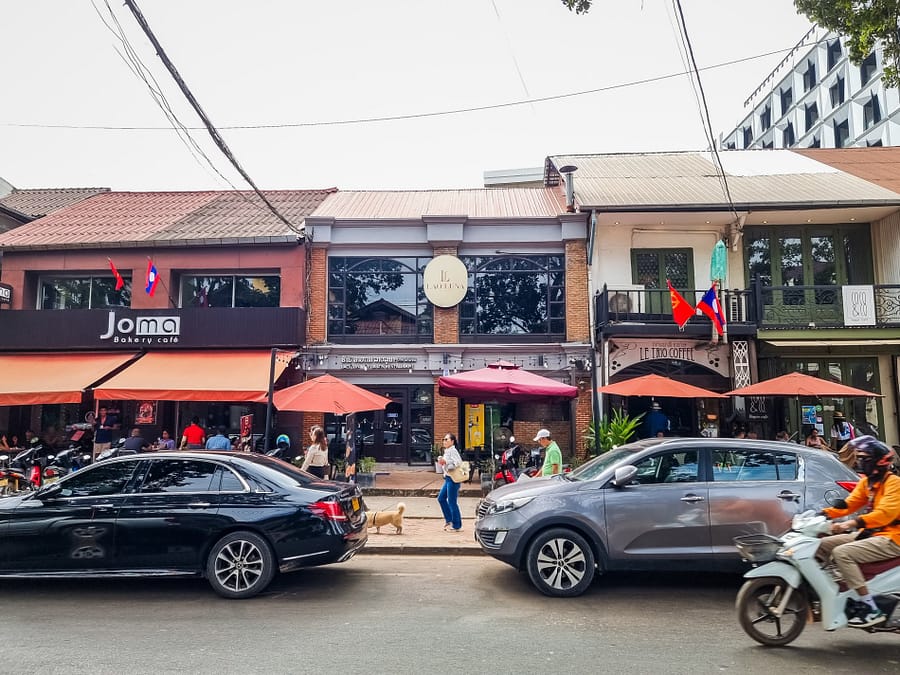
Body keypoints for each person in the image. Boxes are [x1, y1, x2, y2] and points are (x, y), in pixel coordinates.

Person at [817, 436, 900, 627]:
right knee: (822, 544)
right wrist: (822, 514)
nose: (860, 462)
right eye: (860, 458)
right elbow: (849, 504)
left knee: (842, 553)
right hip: (872, 534)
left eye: (865, 459)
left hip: (892, 538)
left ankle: (871, 608)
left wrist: (850, 523)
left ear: (879, 462)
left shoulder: (893, 483)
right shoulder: (867, 482)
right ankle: (841, 588)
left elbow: (885, 514)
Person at [436, 432, 463, 532]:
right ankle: (449, 519)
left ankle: (456, 525)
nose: (444, 441)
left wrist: (446, 462)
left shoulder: (453, 451)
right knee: (441, 498)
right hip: (448, 478)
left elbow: (458, 462)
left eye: (446, 439)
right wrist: (442, 461)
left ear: (452, 441)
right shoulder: (447, 451)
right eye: (444, 439)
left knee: (452, 501)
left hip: (453, 479)